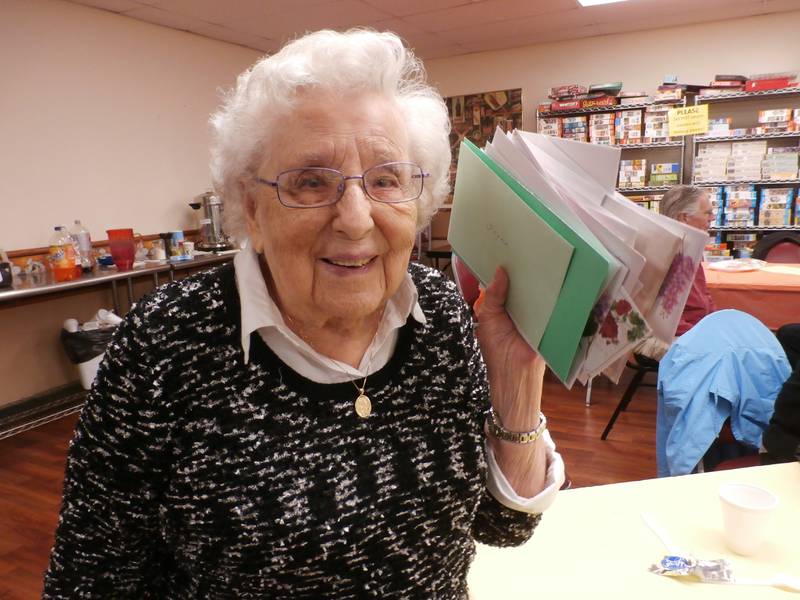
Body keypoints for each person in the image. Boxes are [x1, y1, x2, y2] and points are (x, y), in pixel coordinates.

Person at [43, 29, 564, 598]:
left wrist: (516, 382)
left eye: (386, 179)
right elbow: (89, 578)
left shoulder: (438, 314)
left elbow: (504, 526)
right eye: (311, 182)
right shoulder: (167, 342)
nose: (356, 218)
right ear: (252, 207)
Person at [634, 185, 716, 360]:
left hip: (693, 330)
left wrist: (716, 325)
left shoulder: (691, 248)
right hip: (673, 336)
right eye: (707, 213)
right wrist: (704, 335)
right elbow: (661, 318)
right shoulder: (661, 253)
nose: (713, 217)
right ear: (684, 217)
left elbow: (704, 298)